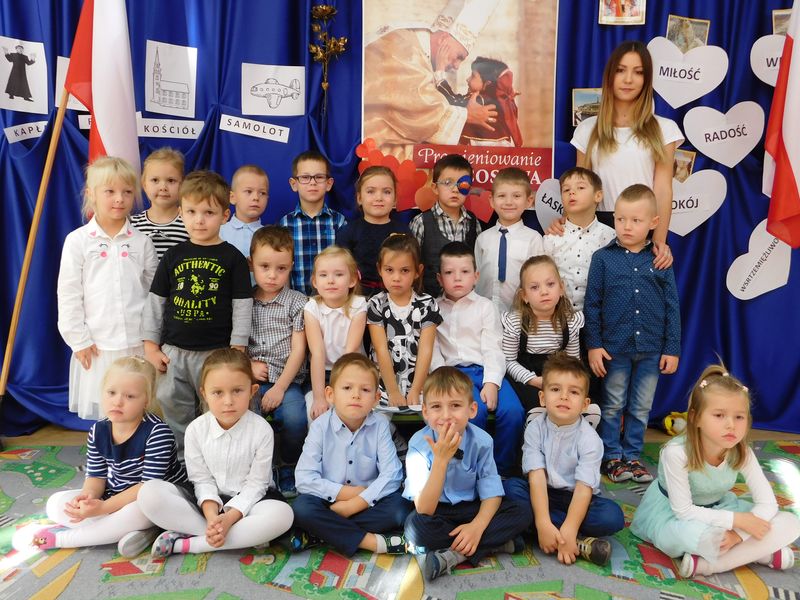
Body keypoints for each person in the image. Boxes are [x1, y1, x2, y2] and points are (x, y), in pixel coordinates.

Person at [631, 365, 800, 577]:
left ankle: (706, 565)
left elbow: (768, 504)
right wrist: (737, 522)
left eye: (739, 417)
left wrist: (738, 535)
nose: (731, 425)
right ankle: (763, 554)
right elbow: (684, 511)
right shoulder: (676, 453)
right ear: (695, 417)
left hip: (722, 508)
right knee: (696, 536)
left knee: (791, 522)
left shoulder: (743, 452)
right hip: (676, 516)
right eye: (719, 415)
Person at [13, 357, 186, 558]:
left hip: (156, 500)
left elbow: (146, 487)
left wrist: (102, 508)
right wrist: (88, 497)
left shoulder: (157, 432)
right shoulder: (98, 430)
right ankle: (134, 531)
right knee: (56, 504)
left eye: (130, 396)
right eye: (111, 393)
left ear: (146, 400)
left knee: (140, 510)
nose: (117, 401)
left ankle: (62, 539)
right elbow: (96, 477)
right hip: (117, 497)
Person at [138, 348, 294, 557]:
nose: (228, 401)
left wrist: (229, 518)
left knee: (283, 516)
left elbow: (257, 485)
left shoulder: (261, 430)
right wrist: (213, 518)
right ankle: (230, 534)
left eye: (237, 391)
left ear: (252, 391)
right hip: (206, 503)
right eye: (218, 392)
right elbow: (201, 480)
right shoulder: (196, 430)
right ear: (204, 393)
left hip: (250, 501)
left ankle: (190, 544)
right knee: (149, 493)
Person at [142, 171, 252, 456]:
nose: (199, 220)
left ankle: (216, 458)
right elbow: (156, 302)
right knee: (173, 406)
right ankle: (183, 460)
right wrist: (151, 346)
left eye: (208, 212)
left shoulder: (233, 258)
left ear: (225, 216)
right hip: (174, 352)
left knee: (216, 410)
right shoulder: (172, 256)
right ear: (181, 213)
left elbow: (242, 305)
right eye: (191, 212)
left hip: (216, 353)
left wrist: (238, 347)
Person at [584, 184, 681, 484]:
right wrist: (594, 345)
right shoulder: (602, 258)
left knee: (641, 406)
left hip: (652, 349)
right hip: (615, 348)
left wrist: (672, 348)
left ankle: (633, 456)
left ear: (653, 222)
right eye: (621, 219)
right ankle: (612, 457)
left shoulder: (660, 260)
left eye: (636, 220)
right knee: (613, 404)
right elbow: (592, 304)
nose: (627, 226)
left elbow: (672, 306)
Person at [563, 41, 684, 270]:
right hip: (595, 232)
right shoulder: (587, 130)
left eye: (638, 72)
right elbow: (580, 188)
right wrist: (566, 222)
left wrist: (658, 240)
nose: (628, 79)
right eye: (620, 70)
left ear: (646, 80)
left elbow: (663, 189)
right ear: (610, 75)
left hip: (643, 232)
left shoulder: (665, 129)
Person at [403, 367, 532, 581]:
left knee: (522, 511)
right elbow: (424, 508)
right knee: (414, 529)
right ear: (425, 412)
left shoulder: (482, 441)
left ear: (472, 410)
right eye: (436, 407)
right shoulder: (418, 445)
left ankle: (455, 555)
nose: (446, 415)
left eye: (455, 405)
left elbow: (491, 493)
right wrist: (440, 461)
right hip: (438, 512)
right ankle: (497, 543)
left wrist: (477, 527)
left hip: (472, 508)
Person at [57, 156, 158, 420]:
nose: (119, 199)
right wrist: (78, 339)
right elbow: (68, 293)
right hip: (97, 344)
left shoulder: (142, 242)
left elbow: (154, 293)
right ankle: (105, 446)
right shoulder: (78, 241)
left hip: (137, 343)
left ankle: (137, 446)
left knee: (136, 405)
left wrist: (153, 337)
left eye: (127, 192)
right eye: (109, 191)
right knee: (108, 409)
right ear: (91, 194)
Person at [503, 354, 624, 567]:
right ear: (542, 398)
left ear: (585, 404)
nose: (564, 397)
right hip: (541, 492)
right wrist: (543, 522)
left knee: (612, 516)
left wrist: (570, 527)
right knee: (509, 489)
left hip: (575, 498)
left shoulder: (590, 439)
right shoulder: (535, 428)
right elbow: (536, 477)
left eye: (574, 392)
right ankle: (569, 539)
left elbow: (584, 488)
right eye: (555, 389)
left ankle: (542, 532)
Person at [291, 353, 412, 556]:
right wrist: (350, 494)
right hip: (330, 499)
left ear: (376, 398)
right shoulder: (320, 426)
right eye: (347, 388)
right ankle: (370, 541)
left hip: (368, 500)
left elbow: (392, 475)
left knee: (400, 508)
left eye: (365, 390)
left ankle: (319, 533)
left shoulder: (380, 425)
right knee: (302, 508)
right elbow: (304, 478)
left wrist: (355, 504)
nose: (356, 395)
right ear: (330, 394)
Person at [362, 0, 500, 161]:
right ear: (443, 39)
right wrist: (466, 116)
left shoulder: (419, 52)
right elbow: (417, 106)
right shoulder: (405, 48)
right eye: (459, 57)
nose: (456, 66)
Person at [435, 241, 524, 476]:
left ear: (476, 276)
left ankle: (502, 471)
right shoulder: (433, 309)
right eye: (449, 273)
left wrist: (491, 383)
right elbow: (432, 349)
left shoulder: (485, 307)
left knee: (513, 411)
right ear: (439, 279)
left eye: (464, 272)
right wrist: (442, 380)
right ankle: (472, 471)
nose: (457, 278)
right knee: (474, 412)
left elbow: (493, 348)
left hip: (486, 369)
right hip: (453, 375)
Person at [247, 226, 309, 497]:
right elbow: (236, 342)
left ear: (291, 266)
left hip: (287, 380)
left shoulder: (298, 302)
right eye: (265, 267)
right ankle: (260, 470)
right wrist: (248, 366)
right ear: (251, 264)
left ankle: (288, 464)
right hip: (252, 379)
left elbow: (299, 350)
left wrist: (280, 388)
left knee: (295, 419)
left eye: (281, 268)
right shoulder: (244, 300)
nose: (272, 275)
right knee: (248, 420)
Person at [367, 234, 442, 411]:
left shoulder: (427, 304)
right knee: (380, 419)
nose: (396, 278)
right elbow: (381, 349)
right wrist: (393, 391)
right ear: (379, 269)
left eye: (405, 271)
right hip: (384, 384)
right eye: (389, 270)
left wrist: (416, 389)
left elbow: (426, 349)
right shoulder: (376, 304)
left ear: (418, 271)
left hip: (420, 383)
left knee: (433, 414)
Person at [502, 255, 584, 412]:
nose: (544, 292)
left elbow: (573, 361)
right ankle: (537, 420)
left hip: (558, 375)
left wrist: (562, 383)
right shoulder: (515, 323)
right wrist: (532, 380)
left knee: (570, 397)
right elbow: (508, 361)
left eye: (550, 284)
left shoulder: (570, 321)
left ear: (561, 288)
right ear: (524, 296)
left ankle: (581, 416)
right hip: (526, 377)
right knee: (537, 403)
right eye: (535, 287)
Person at [304, 246, 367, 421]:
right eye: (323, 275)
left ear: (352, 280)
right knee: (315, 412)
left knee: (349, 409)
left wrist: (342, 389)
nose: (330, 281)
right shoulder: (312, 308)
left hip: (352, 370)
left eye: (338, 274)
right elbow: (317, 353)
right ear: (315, 282)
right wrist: (319, 398)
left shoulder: (358, 305)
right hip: (321, 373)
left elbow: (350, 352)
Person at [543, 168, 615, 313]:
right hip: (559, 316)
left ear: (598, 195)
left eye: (580, 187)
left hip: (598, 317)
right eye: (566, 190)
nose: (572, 192)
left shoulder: (611, 237)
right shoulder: (552, 238)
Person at [410, 154, 482, 297]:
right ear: (435, 188)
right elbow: (411, 265)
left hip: (465, 302)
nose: (455, 189)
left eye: (462, 184)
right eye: (448, 182)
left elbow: (477, 264)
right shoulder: (421, 222)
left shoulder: (474, 223)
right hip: (429, 301)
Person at [474, 167, 543, 313]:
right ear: (492, 201)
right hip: (483, 314)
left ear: (529, 201)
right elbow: (476, 276)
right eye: (501, 196)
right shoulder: (482, 239)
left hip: (520, 315)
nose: (509, 202)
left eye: (516, 196)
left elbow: (538, 278)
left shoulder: (534, 239)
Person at [278, 151, 346, 296]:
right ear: (294, 184)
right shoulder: (285, 224)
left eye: (319, 177)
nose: (312, 182)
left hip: (332, 301)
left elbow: (346, 265)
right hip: (297, 302)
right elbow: (282, 268)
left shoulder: (339, 222)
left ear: (328, 184)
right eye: (305, 177)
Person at [335, 166, 410, 296]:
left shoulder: (404, 232)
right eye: (371, 191)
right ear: (359, 198)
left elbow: (410, 268)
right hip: (358, 298)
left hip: (396, 296)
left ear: (395, 199)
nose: (379, 197)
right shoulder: (348, 233)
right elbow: (340, 271)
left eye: (386, 192)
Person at [438, 56, 523, 147]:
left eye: (473, 76)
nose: (467, 79)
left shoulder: (481, 101)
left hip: (484, 152)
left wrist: (439, 76)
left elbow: (453, 100)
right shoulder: (503, 101)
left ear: (487, 84)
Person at [130, 148, 190, 260]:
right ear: (144, 185)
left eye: (171, 180)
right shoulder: (131, 224)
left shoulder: (191, 224)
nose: (163, 187)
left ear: (182, 185)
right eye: (155, 180)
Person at [220, 164, 269, 258]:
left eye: (262, 193)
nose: (256, 197)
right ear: (232, 197)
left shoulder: (270, 236)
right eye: (249, 191)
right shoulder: (219, 232)